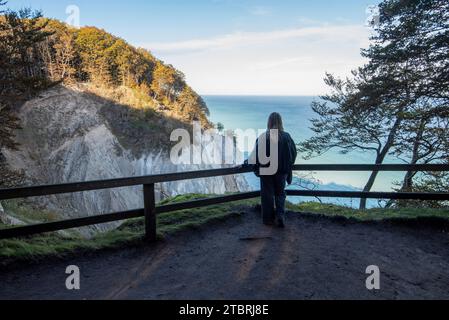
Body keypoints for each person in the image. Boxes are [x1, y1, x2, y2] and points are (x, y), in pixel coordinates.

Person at [249, 112, 297, 228]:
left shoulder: (262, 137)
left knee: (267, 195)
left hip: (266, 171)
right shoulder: (286, 137)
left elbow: (254, 157)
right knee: (280, 194)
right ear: (280, 122)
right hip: (281, 172)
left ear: (269, 122)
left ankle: (268, 219)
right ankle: (280, 216)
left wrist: (250, 165)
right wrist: (288, 166)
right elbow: (293, 153)